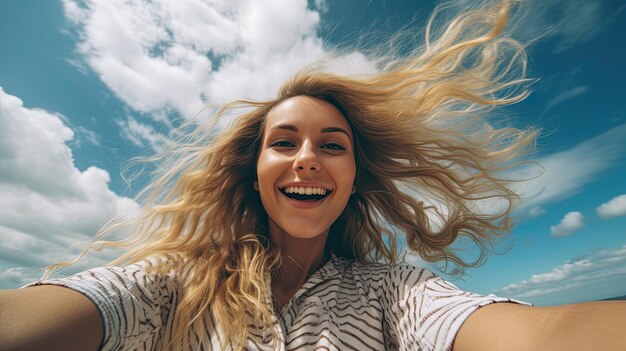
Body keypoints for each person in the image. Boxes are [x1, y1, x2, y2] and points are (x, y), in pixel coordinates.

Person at [1, 1, 625, 350]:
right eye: (283, 142)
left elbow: (544, 336)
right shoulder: (173, 286)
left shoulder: (394, 293)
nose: (307, 158)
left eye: (332, 144)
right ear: (254, 173)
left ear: (353, 176)